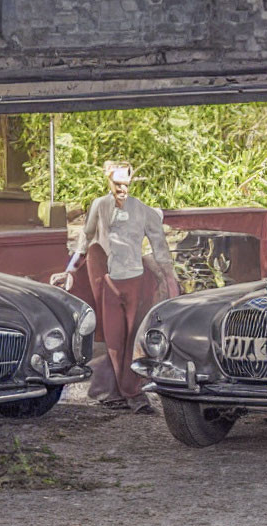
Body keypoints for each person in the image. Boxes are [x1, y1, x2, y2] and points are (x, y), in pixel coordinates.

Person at [54, 161, 179, 413]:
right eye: (116, 183)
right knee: (113, 339)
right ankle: (115, 392)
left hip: (136, 281)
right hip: (109, 282)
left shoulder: (142, 210)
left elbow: (160, 246)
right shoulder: (100, 206)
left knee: (134, 337)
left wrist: (168, 278)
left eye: (125, 184)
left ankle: (134, 395)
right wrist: (69, 270)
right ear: (108, 181)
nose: (121, 189)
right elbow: (85, 240)